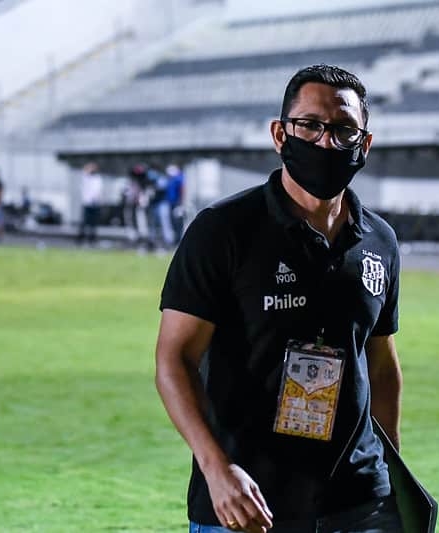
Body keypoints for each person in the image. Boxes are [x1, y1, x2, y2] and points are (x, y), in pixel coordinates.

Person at [155, 65, 403, 533]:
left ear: (364, 144)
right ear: (280, 133)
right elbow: (174, 359)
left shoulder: (380, 242)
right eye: (310, 125)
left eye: (344, 130)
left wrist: (393, 472)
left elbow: (383, 364)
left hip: (357, 503)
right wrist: (216, 469)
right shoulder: (223, 231)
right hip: (248, 501)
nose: (327, 142)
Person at [77, 162, 103, 246]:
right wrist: (87, 169)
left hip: (95, 204)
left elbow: (98, 190)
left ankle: (92, 239)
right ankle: (81, 238)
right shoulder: (86, 178)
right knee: (84, 222)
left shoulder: (97, 178)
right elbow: (83, 173)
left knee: (93, 223)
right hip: (87, 203)